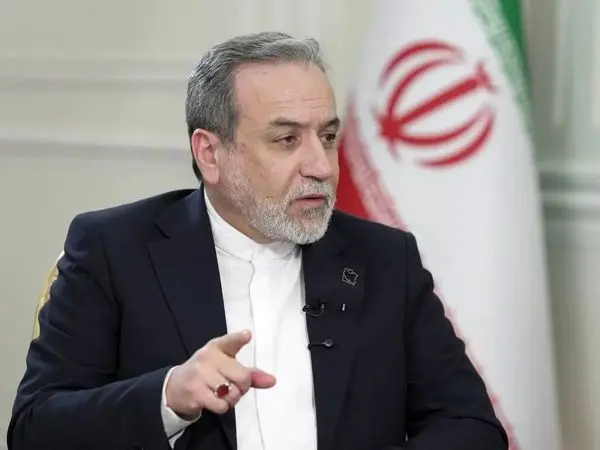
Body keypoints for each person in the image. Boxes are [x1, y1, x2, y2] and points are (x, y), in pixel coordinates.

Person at [7, 32, 508, 450]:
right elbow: (35, 429)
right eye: (286, 139)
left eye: (327, 136)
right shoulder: (114, 251)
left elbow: (471, 427)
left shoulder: (386, 260)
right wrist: (167, 397)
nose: (321, 166)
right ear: (210, 154)